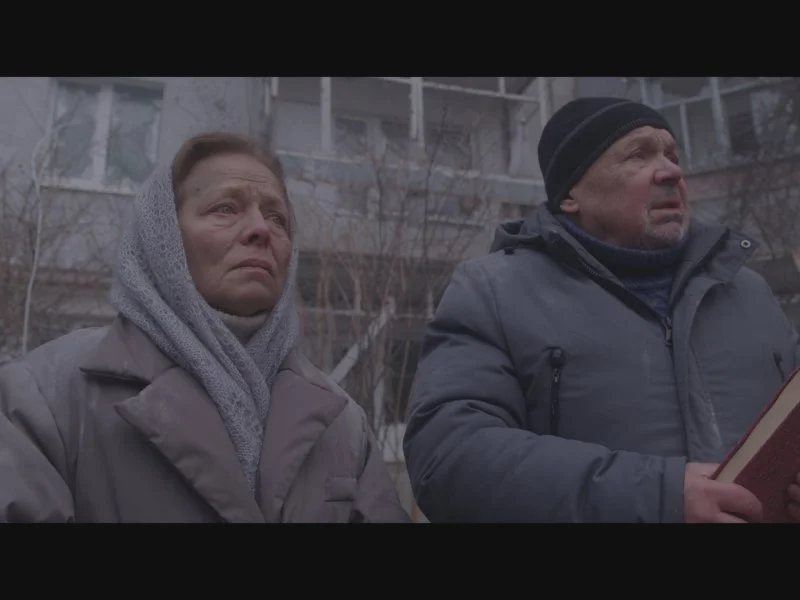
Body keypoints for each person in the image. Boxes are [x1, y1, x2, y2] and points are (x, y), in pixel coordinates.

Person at [402, 97, 800, 523]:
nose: (671, 172)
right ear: (571, 195)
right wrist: (658, 498)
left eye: (672, 155)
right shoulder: (493, 291)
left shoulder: (749, 290)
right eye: (638, 155)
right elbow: (448, 458)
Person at [0, 131, 410, 523]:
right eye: (225, 209)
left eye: (277, 218)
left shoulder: (344, 424)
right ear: (162, 236)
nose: (261, 229)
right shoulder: (46, 398)